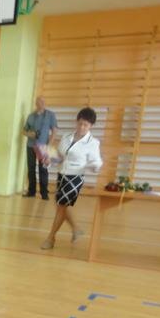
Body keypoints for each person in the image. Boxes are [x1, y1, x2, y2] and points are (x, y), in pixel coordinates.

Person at [40, 107, 103, 250]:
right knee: (60, 206)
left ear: (91, 126)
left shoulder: (93, 143)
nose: (82, 127)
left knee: (61, 207)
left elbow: (97, 162)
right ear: (77, 121)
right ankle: (76, 228)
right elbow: (60, 156)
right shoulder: (66, 137)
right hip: (62, 174)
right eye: (80, 123)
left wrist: (95, 166)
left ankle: (51, 238)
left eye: (86, 125)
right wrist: (49, 160)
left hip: (75, 178)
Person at [22, 96, 58, 200]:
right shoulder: (31, 116)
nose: (41, 103)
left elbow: (54, 131)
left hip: (43, 147)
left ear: (45, 103)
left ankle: (44, 193)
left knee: (43, 169)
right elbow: (24, 131)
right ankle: (31, 192)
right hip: (30, 146)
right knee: (31, 169)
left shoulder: (50, 115)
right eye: (38, 102)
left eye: (43, 102)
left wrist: (49, 146)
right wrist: (30, 134)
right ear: (36, 103)